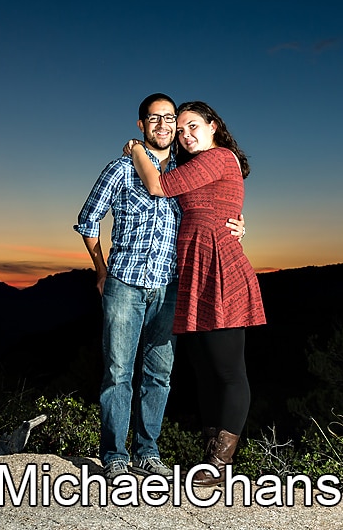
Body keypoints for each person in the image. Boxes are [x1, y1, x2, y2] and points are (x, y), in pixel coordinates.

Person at [74, 93, 245, 480]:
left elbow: (213, 202)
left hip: (170, 288)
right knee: (118, 372)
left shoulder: (187, 171)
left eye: (172, 120)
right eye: (155, 119)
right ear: (141, 125)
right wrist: (101, 271)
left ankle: (147, 452)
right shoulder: (120, 169)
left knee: (159, 376)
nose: (166, 126)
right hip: (125, 284)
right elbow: (88, 221)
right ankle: (115, 455)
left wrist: (238, 222)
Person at [127, 100, 266, 487]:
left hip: (220, 269)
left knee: (228, 370)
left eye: (193, 127)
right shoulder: (197, 165)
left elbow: (158, 187)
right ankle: (209, 459)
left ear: (213, 126)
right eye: (181, 129)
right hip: (194, 272)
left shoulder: (220, 157)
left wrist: (137, 148)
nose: (186, 136)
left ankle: (221, 465)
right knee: (204, 372)